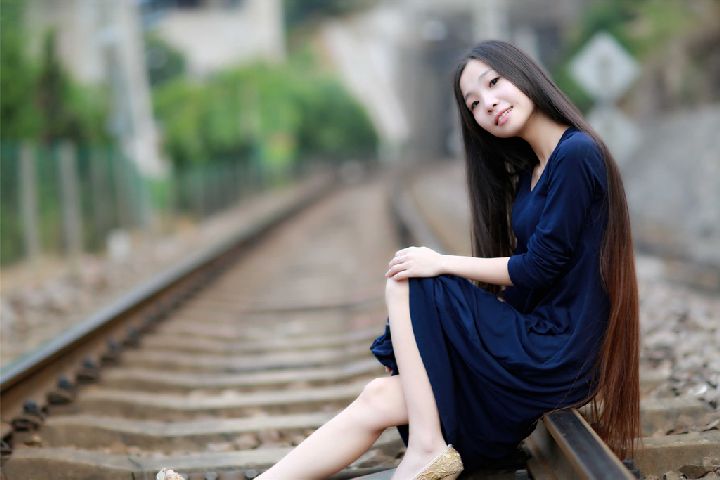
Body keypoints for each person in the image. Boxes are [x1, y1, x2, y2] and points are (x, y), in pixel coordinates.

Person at [164, 39, 641, 480]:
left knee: (411, 277)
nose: (487, 103)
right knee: (378, 397)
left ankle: (428, 448)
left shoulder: (576, 155)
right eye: (473, 103)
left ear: (526, 75)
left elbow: (538, 269)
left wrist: (444, 264)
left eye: (494, 83)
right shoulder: (530, 172)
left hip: (556, 352)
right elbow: (527, 285)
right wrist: (454, 342)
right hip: (534, 342)